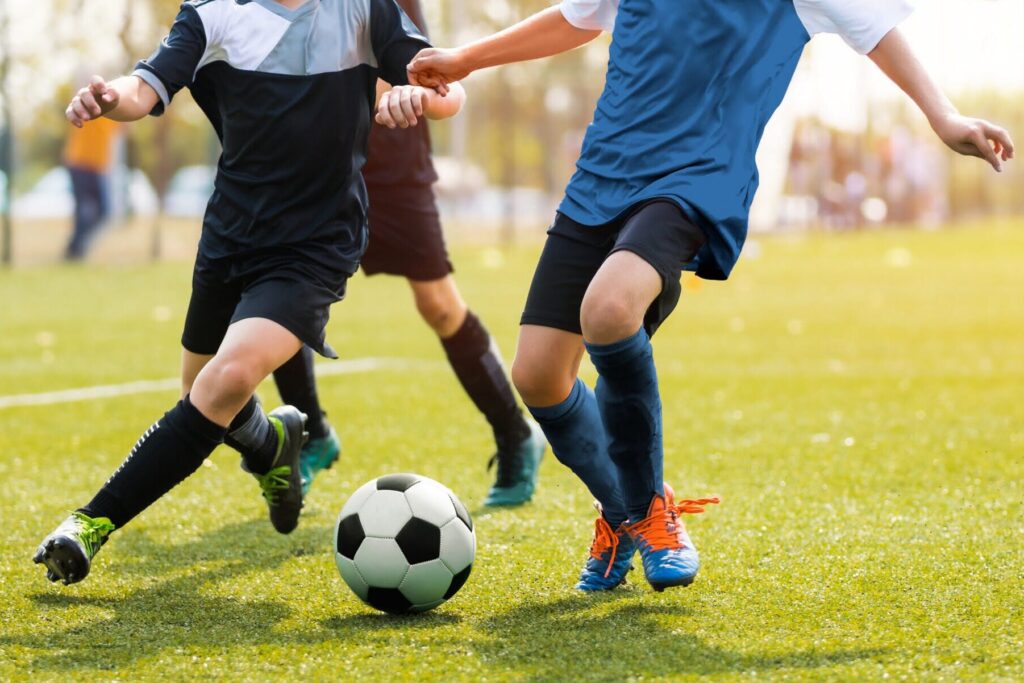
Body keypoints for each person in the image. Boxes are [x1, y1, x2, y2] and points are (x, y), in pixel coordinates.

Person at [407, 0, 1014, 592]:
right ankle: (628, 510)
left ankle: (651, 518)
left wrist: (943, 117)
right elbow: (577, 18)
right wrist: (466, 58)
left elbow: (878, 30)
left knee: (610, 310)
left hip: (696, 179)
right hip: (602, 175)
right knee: (538, 376)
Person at [33, 0, 463, 586]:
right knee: (203, 394)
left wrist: (417, 96)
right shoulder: (212, 13)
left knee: (225, 381)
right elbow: (146, 86)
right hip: (230, 235)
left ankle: (88, 524)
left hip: (317, 242)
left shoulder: (364, 8)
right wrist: (111, 99)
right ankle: (272, 444)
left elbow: (447, 89)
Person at [271, 0, 546, 508]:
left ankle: (515, 432)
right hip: (316, 157)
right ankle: (313, 433)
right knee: (283, 292)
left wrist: (398, 87)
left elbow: (418, 62)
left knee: (438, 305)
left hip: (394, 154)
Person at [63, 114, 119, 260]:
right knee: (85, 210)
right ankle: (75, 250)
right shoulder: (93, 103)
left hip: (98, 167)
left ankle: (77, 248)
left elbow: (124, 128)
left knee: (103, 211)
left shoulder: (116, 109)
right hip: (81, 162)